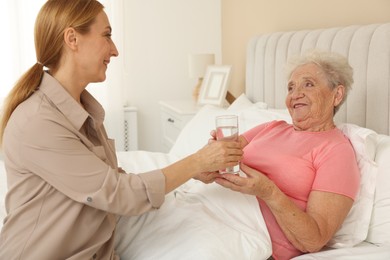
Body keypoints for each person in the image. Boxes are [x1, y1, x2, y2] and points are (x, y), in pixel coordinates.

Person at [0, 0, 242, 259]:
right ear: (72, 38)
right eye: (107, 35)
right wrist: (195, 162)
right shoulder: (38, 122)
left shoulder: (79, 109)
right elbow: (116, 192)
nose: (114, 50)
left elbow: (110, 180)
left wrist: (193, 170)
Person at [215, 50, 360, 259]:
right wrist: (214, 153)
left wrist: (268, 192)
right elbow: (218, 159)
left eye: (308, 84)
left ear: (336, 95)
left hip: (246, 237)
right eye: (290, 87)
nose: (295, 94)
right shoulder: (271, 127)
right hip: (214, 209)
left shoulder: (337, 152)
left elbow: (314, 240)